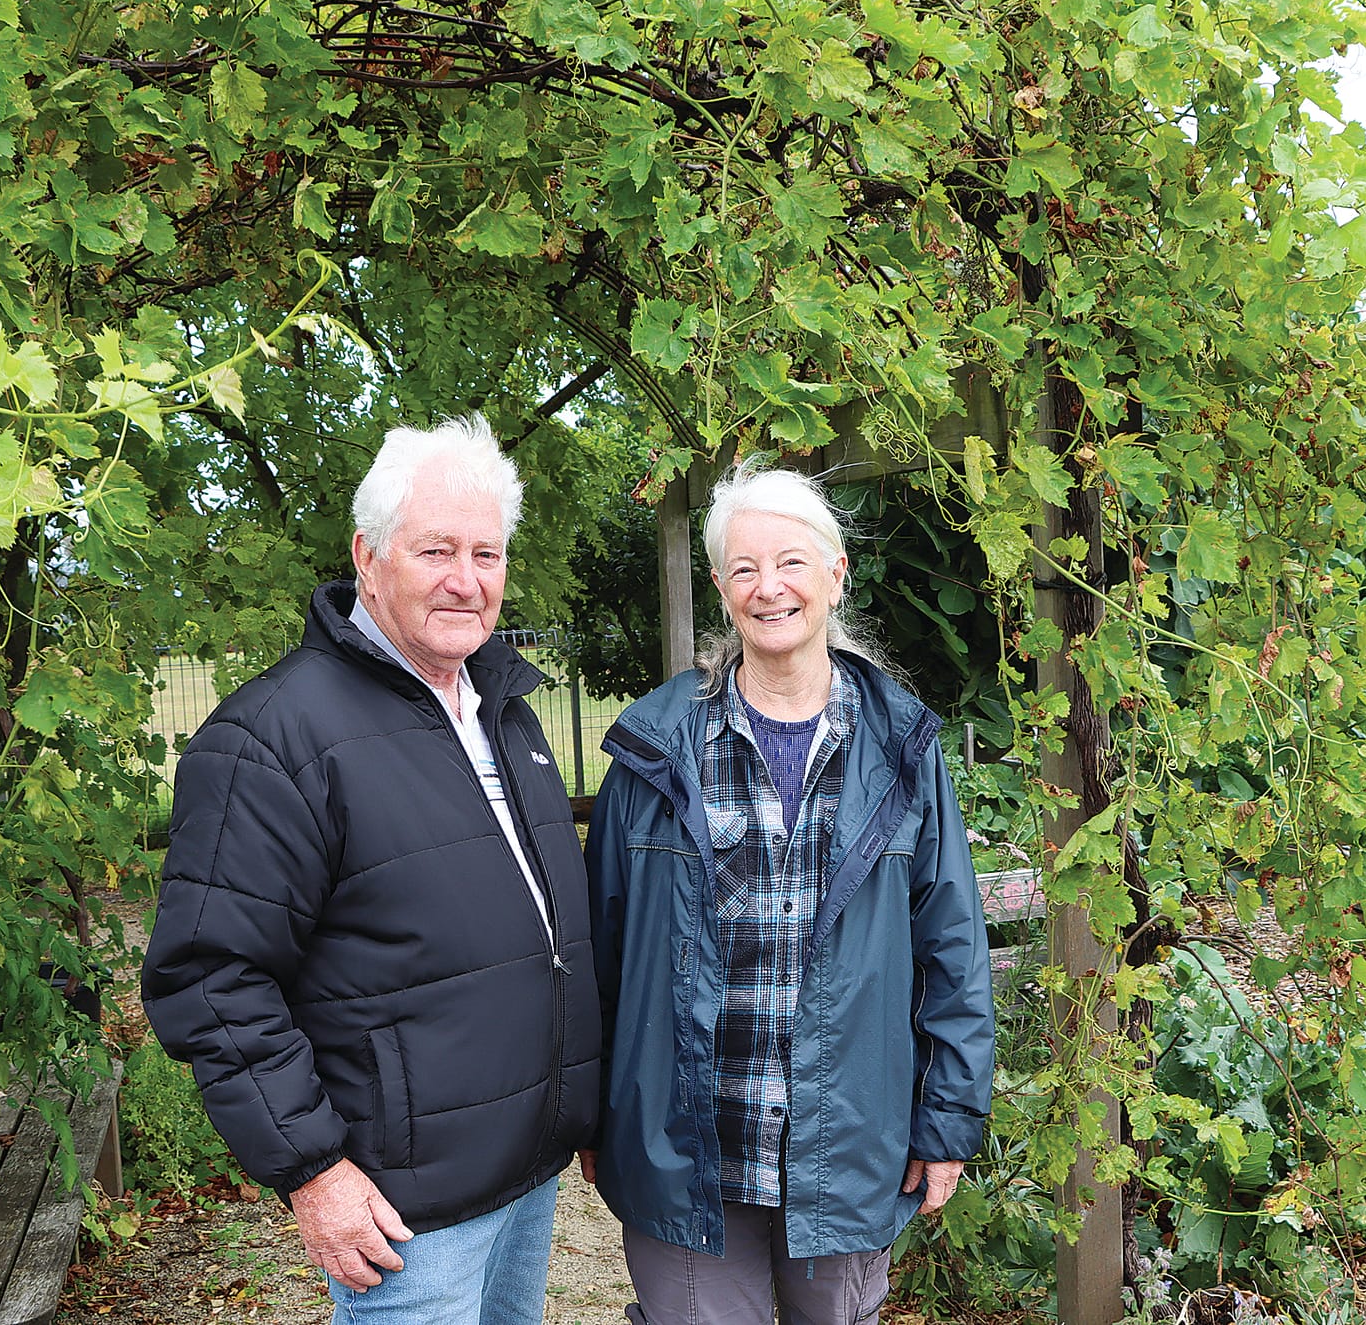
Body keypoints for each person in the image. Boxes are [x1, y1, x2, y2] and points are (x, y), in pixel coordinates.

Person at [141, 415, 599, 1324]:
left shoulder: (503, 710)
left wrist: (583, 1105)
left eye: (487, 553)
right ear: (368, 556)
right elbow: (210, 976)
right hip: (405, 1210)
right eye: (436, 550)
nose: (467, 579)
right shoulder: (273, 737)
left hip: (527, 1174)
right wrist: (313, 1170)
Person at [582, 462, 994, 1324]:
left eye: (791, 562)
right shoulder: (655, 749)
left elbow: (951, 950)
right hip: (684, 1148)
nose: (768, 587)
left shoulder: (903, 753)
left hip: (849, 1149)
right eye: (744, 568)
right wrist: (594, 1115)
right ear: (722, 589)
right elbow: (599, 954)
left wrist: (947, 1118)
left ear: (836, 573)